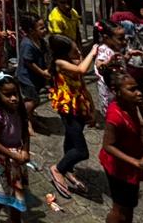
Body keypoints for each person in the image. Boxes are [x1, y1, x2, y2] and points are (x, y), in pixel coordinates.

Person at [100, 70, 143, 223]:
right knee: (119, 208)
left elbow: (136, 121)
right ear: (116, 91)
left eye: (137, 88)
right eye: (132, 90)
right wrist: (136, 162)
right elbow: (108, 146)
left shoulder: (130, 105)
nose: (139, 93)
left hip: (129, 163)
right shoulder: (114, 115)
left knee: (129, 206)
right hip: (119, 167)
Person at [48, 33, 96, 198]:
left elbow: (83, 86)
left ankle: (67, 168)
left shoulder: (72, 61)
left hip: (79, 107)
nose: (78, 52)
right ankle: (57, 169)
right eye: (74, 50)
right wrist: (92, 53)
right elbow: (82, 70)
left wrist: (92, 109)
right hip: (68, 110)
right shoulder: (59, 63)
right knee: (82, 151)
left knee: (71, 139)